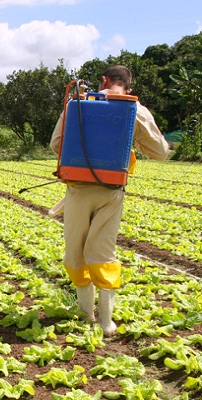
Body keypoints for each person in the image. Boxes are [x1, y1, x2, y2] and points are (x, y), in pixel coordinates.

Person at [49, 65, 170, 337]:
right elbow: (161, 153)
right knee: (102, 251)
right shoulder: (134, 109)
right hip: (110, 191)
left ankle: (84, 314)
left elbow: (57, 144)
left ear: (103, 80)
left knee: (75, 250)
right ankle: (106, 322)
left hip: (78, 189)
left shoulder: (78, 103)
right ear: (128, 88)